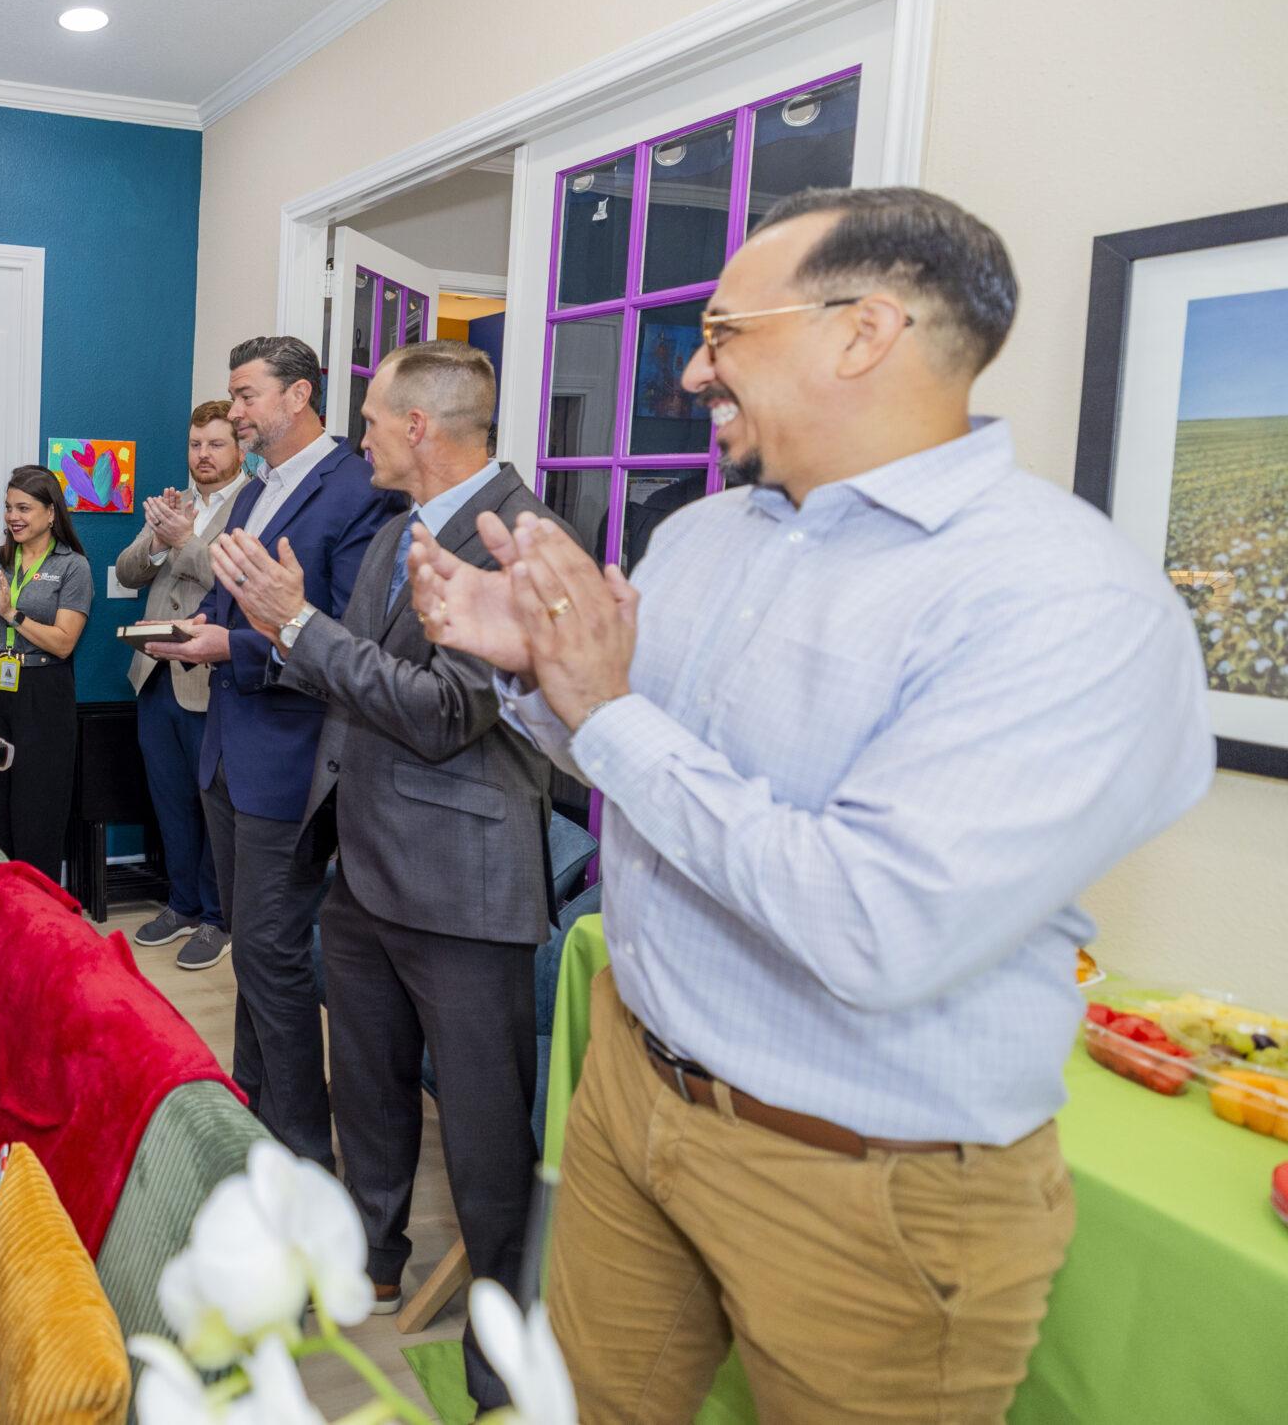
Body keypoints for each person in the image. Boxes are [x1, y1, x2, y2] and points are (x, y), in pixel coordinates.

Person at [412, 187, 1213, 1423]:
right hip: (634, 1091)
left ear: (863, 331)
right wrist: (539, 678)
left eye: (724, 332)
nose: (693, 371)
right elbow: (641, 775)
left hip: (864, 1180)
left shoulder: (1062, 600)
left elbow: (869, 922)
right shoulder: (703, 538)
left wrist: (604, 705)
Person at [213, 339, 561, 1409]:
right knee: (367, 1087)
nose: (357, 435)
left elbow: (446, 713)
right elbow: (346, 679)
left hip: (459, 881)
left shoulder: (518, 538)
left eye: (369, 418)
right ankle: (369, 1257)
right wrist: (283, 632)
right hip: (363, 859)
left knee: (485, 1137)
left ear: (419, 426)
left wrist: (295, 623)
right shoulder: (397, 529)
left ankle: (501, 1361)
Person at [144, 334, 402, 1166]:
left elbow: (352, 640)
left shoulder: (356, 490)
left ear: (298, 396)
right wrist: (201, 630)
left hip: (293, 759)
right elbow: (238, 606)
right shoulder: (254, 492)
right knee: (252, 956)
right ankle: (251, 1112)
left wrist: (235, 647)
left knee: (272, 954)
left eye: (247, 395)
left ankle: (299, 1156)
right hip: (228, 750)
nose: (237, 412)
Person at [117, 399, 247, 971]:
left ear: (240, 449)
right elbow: (128, 572)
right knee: (169, 801)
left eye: (216, 444)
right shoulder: (176, 503)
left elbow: (239, 582)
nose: (203, 455)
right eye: (196, 445)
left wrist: (187, 540)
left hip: (211, 681)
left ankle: (218, 918)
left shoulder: (254, 505)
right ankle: (183, 904)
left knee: (213, 806)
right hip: (154, 677)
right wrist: (159, 537)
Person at [0, 464, 91, 883]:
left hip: (43, 690)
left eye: (24, 508)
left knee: (38, 803)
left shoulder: (73, 567)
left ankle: (33, 900)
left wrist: (13, 614)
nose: (13, 516)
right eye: (9, 507)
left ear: (50, 513)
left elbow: (64, 643)